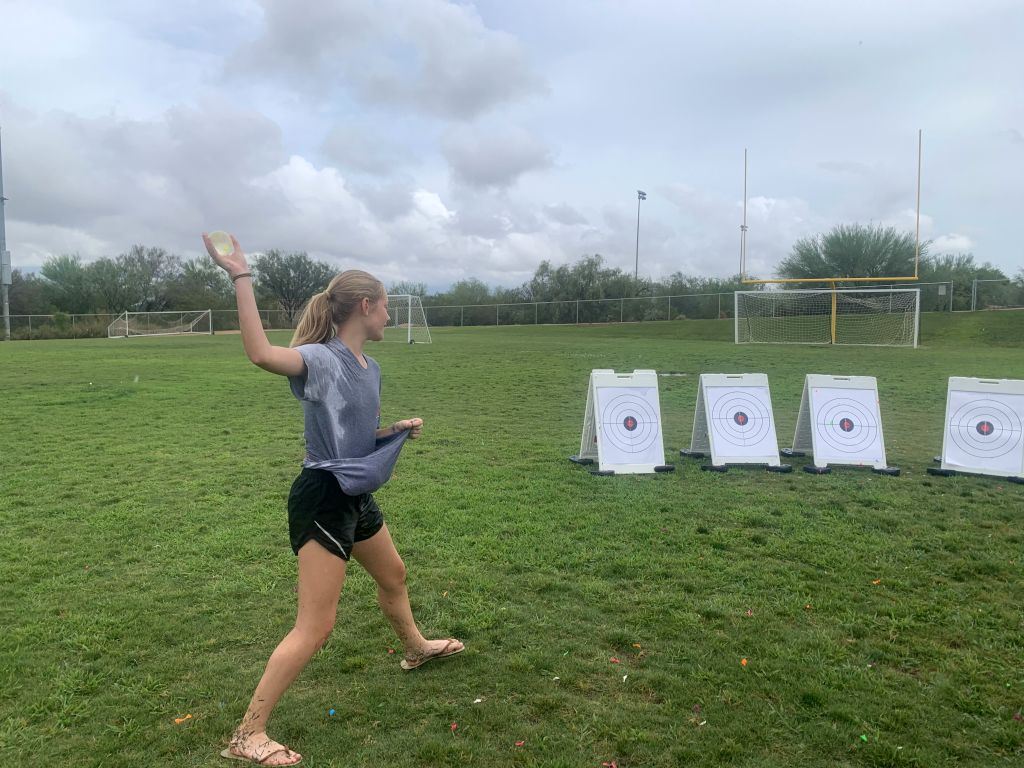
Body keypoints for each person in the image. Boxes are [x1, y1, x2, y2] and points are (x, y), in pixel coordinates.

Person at [202, 233, 464, 767]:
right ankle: (248, 735)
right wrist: (240, 276)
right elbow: (260, 353)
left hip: (355, 492)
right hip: (323, 497)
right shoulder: (321, 360)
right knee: (315, 626)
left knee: (393, 574)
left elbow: (356, 437)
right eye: (386, 305)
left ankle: (415, 649)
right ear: (365, 307)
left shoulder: (371, 368)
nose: (391, 315)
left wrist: (393, 430)